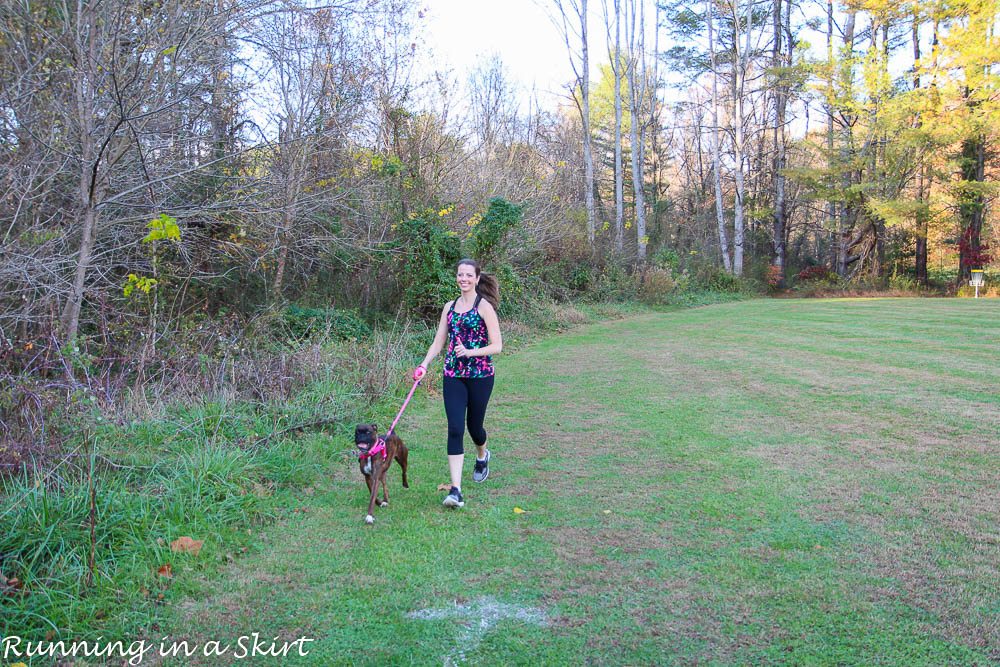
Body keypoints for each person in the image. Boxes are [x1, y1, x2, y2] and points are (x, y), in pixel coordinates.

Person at [414, 259, 503, 508]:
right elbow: (438, 342)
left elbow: (497, 346)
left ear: (476, 279)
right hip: (453, 375)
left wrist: (471, 352)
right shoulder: (449, 308)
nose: (463, 279)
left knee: (475, 427)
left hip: (481, 375)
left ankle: (482, 454)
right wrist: (424, 364)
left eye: (468, 275)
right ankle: (456, 490)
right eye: (460, 275)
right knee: (455, 428)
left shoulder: (484, 307)